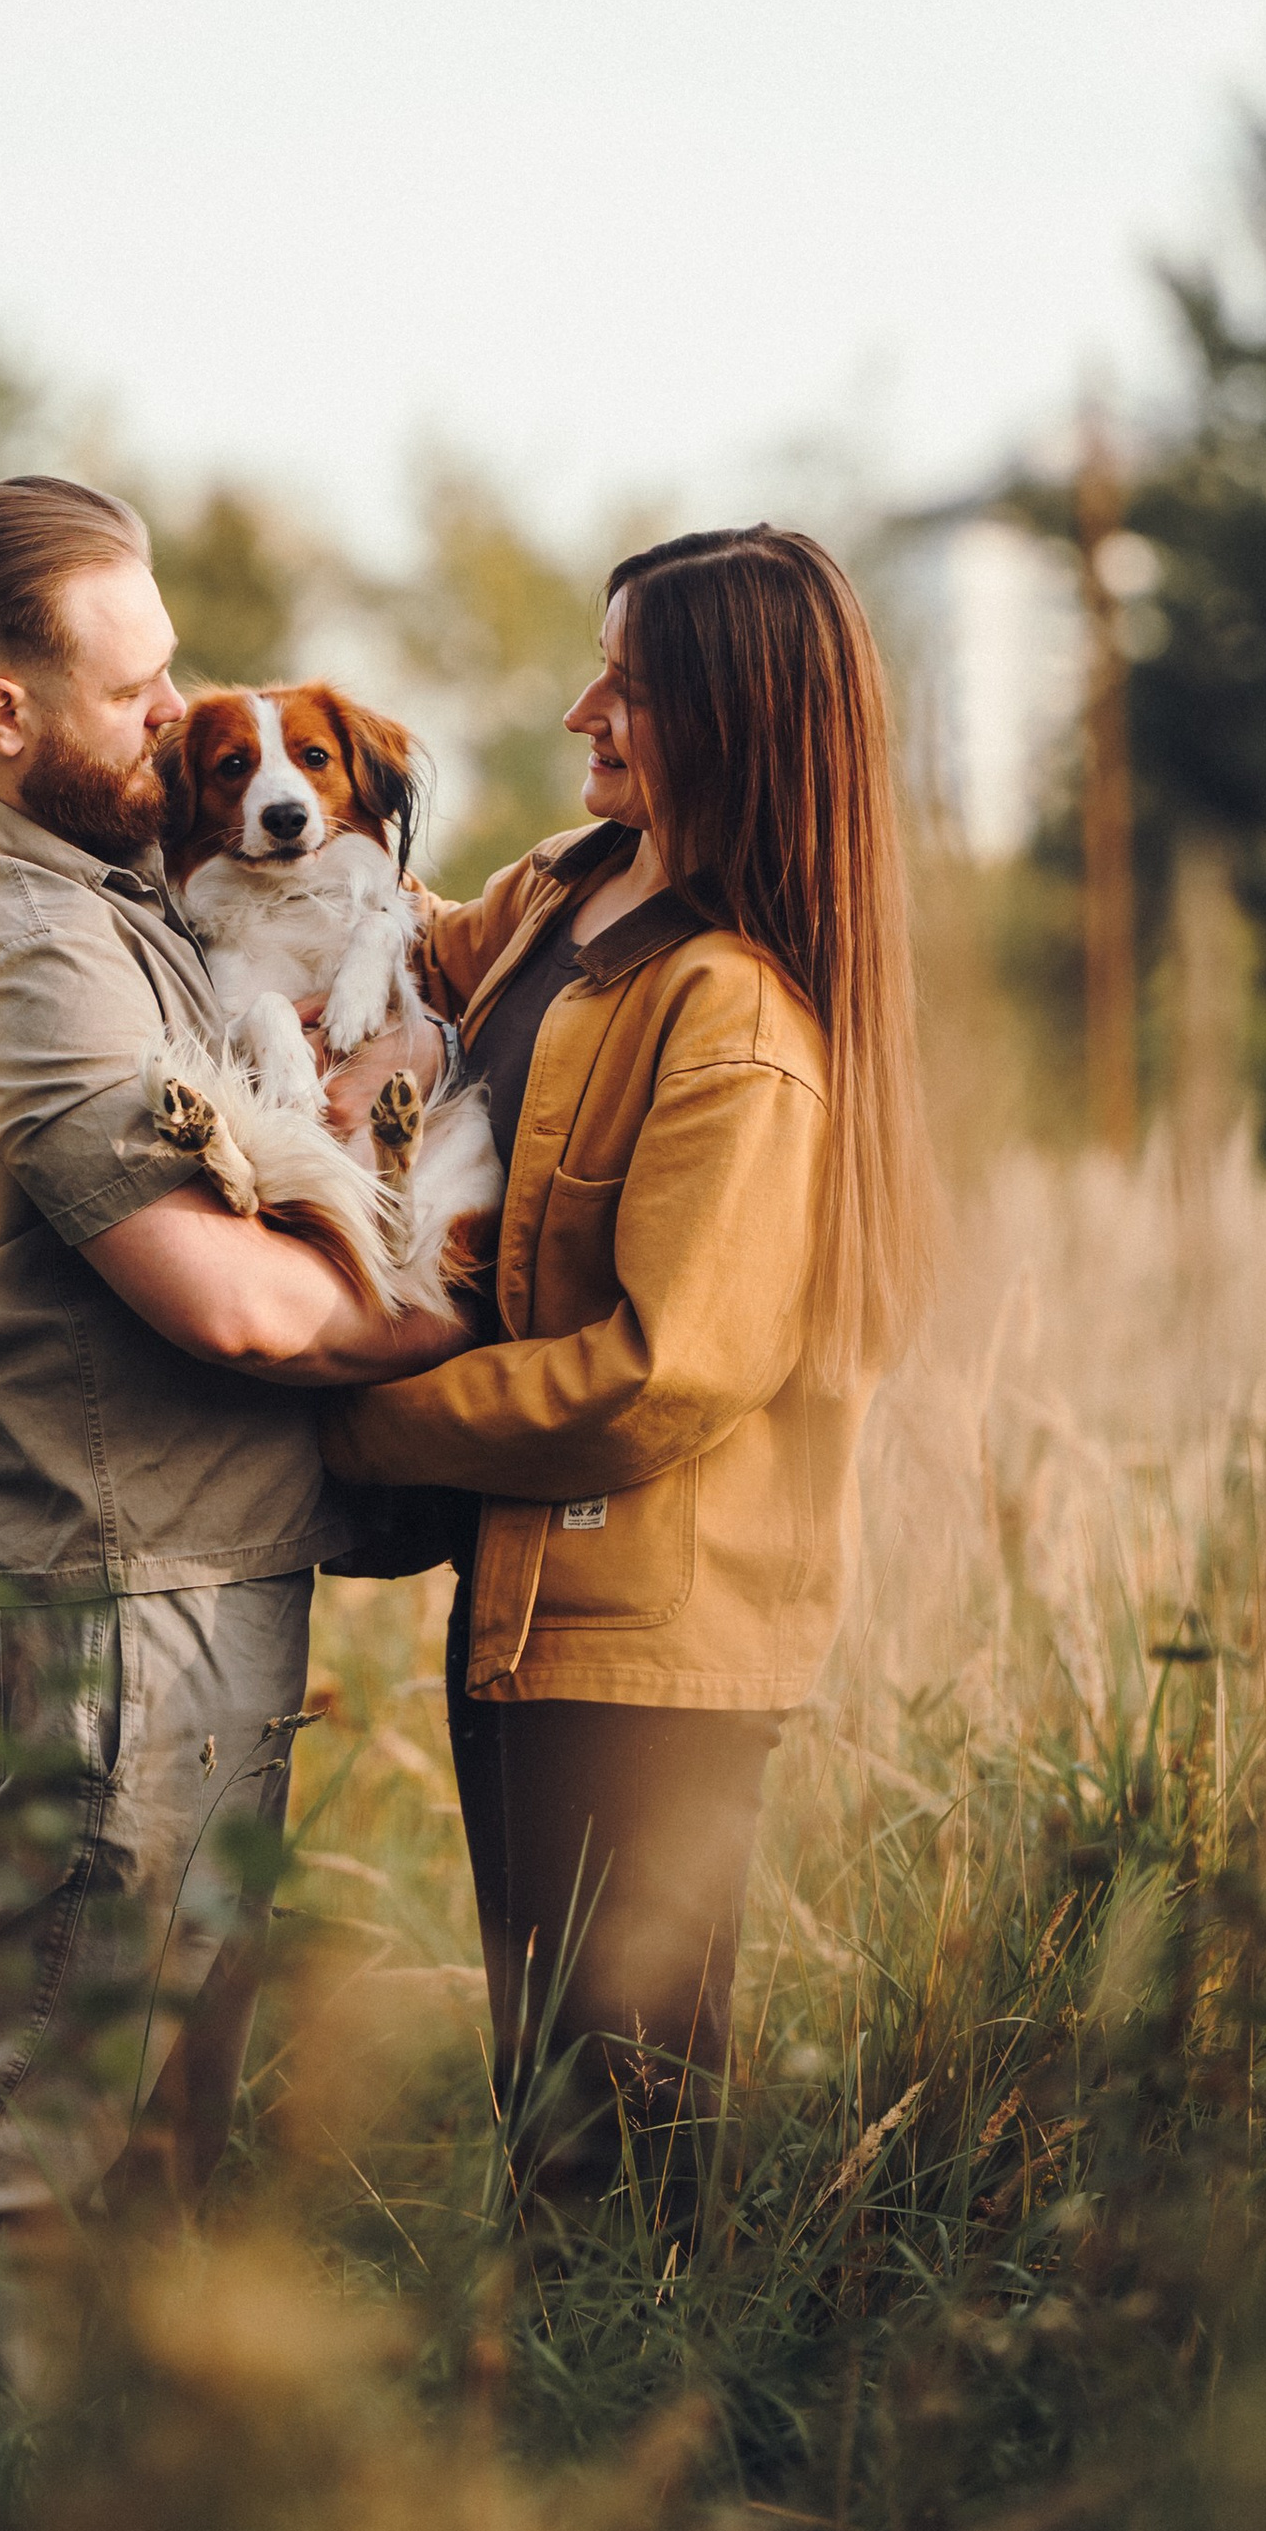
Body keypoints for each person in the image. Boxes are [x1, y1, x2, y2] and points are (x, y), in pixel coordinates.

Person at [0, 475, 459, 2446]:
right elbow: (232, 1306)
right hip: (101, 1608)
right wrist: (488, 1322)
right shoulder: (11, 939)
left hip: (203, 1583)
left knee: (166, 2109)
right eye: (134, 692)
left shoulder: (99, 868)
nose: (175, 720)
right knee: (26, 2108)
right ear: (4, 712)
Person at [320, 523, 936, 2227]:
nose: (587, 704)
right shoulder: (579, 886)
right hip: (529, 1597)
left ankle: (656, 2448)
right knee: (553, 2081)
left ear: (737, 719)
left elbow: (662, 1373)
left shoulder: (732, 1014)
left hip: (648, 1644)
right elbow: (412, 958)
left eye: (635, 687)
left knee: (619, 2124)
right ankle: (569, 2426)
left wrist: (355, 1432)